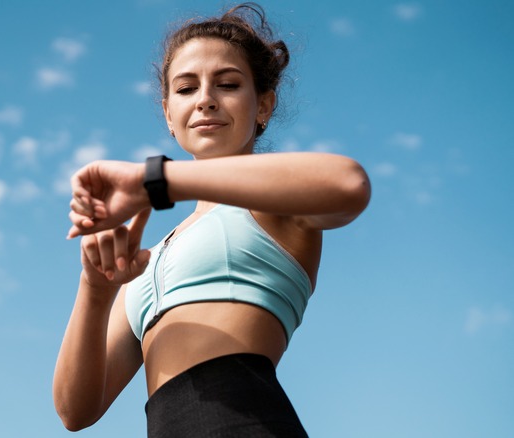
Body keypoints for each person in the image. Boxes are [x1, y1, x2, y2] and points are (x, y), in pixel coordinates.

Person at [53, 3, 371, 437]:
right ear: (168, 113)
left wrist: (154, 180)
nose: (205, 99)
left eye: (227, 84)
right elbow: (76, 410)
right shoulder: (149, 256)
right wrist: (95, 287)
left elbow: (349, 184)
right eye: (186, 89)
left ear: (263, 105)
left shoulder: (274, 204)